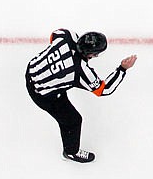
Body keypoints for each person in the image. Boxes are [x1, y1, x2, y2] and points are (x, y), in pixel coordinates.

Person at [26, 29, 137, 163]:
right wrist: (122, 69)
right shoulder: (80, 71)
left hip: (32, 69)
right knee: (73, 121)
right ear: (91, 54)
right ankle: (71, 152)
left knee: (63, 88)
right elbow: (103, 90)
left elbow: (53, 35)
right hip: (42, 94)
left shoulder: (67, 36)